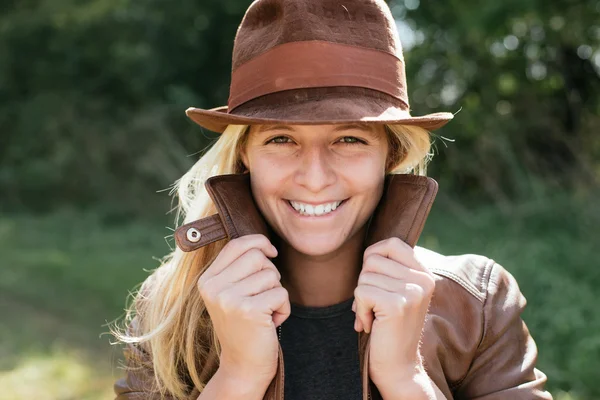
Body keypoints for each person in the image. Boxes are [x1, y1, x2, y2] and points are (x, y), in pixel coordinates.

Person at [112, 0, 552, 399]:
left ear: (391, 154)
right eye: (281, 139)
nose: (315, 178)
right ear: (246, 155)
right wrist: (239, 376)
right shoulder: (171, 310)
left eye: (349, 138)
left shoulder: (476, 302)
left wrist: (405, 377)